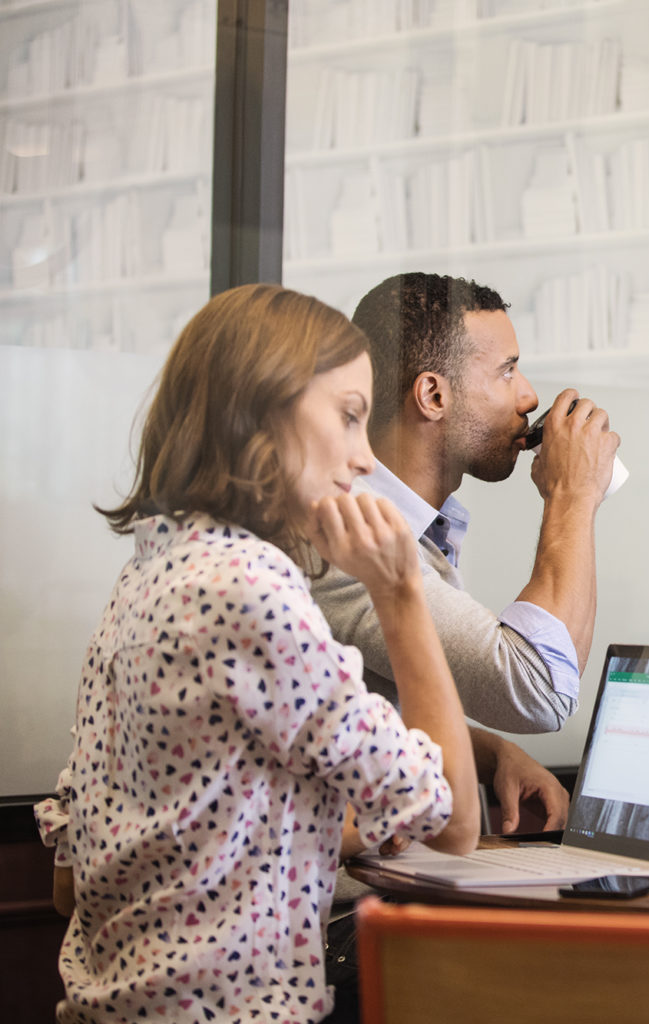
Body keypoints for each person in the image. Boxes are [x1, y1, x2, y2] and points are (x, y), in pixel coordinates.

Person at [33, 284, 480, 1023]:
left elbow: (71, 880)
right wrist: (400, 593)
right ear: (260, 412)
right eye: (348, 416)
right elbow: (456, 819)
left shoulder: (151, 567)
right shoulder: (249, 584)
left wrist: (295, 825)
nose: (366, 459)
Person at [311, 272, 621, 833]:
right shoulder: (349, 534)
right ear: (433, 395)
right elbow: (539, 689)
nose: (529, 396)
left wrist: (488, 752)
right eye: (507, 371)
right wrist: (573, 496)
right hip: (340, 911)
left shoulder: (415, 527)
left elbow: (363, 710)